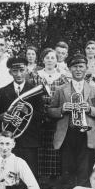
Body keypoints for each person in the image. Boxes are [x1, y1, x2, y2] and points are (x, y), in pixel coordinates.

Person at [47, 54, 95, 189]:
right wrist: (62, 109)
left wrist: (89, 109)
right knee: (67, 170)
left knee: (84, 171)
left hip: (86, 135)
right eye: (75, 67)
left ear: (86, 68)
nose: (78, 69)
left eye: (81, 67)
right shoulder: (61, 89)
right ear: (69, 69)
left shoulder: (93, 89)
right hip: (67, 134)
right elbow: (50, 111)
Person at [0, 56, 44, 176]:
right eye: (15, 71)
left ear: (27, 70)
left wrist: (28, 111)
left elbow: (42, 115)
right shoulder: (3, 91)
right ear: (10, 72)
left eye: (22, 70)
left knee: (30, 175)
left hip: (29, 141)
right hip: (8, 141)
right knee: (8, 175)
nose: (18, 74)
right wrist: (1, 117)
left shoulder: (35, 91)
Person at [35, 48, 70, 180]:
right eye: (47, 57)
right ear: (43, 59)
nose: (50, 60)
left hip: (56, 119)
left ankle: (53, 181)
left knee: (54, 147)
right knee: (39, 147)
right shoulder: (35, 75)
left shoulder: (62, 78)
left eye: (53, 58)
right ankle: (39, 179)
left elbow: (65, 97)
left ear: (57, 60)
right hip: (38, 118)